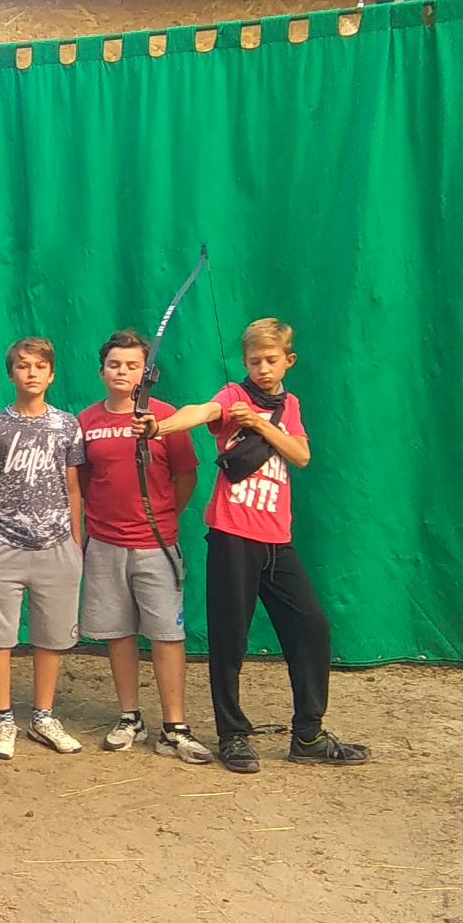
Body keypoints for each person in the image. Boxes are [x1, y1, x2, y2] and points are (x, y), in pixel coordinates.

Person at [140, 318, 371, 773]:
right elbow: (200, 412)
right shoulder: (234, 395)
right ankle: (233, 735)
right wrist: (158, 428)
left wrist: (261, 426)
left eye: (270, 360)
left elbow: (301, 455)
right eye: (253, 361)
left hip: (277, 541)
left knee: (312, 627)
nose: (262, 369)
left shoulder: (290, 405)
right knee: (230, 639)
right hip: (233, 537)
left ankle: (308, 734)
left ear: (288, 360)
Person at [77, 330, 214, 764]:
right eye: (114, 364)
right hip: (104, 544)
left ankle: (174, 727)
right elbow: (84, 481)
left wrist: (163, 518)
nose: (122, 372)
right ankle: (129, 717)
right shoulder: (87, 420)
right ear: (102, 372)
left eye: (132, 365)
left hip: (155, 544)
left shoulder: (166, 417)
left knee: (166, 634)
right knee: (119, 633)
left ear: (146, 373)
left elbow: (186, 475)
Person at [0, 338, 87, 760]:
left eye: (40, 366)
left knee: (50, 636)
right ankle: (3, 719)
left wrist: (75, 544)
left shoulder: (67, 425)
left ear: (51, 374)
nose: (32, 373)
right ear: (11, 374)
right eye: (23, 366)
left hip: (57, 546)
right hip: (1, 546)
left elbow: (73, 488)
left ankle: (43, 717)